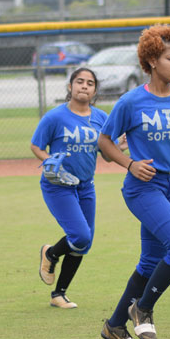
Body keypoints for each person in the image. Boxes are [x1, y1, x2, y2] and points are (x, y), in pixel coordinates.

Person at [97, 24, 170, 339]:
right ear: (152, 60)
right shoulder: (131, 101)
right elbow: (104, 140)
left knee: (150, 262)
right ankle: (142, 308)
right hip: (142, 187)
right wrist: (128, 163)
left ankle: (114, 326)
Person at [31, 67, 108, 309]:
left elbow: (106, 153)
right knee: (80, 236)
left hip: (85, 186)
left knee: (84, 243)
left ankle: (59, 294)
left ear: (95, 90)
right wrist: (47, 161)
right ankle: (51, 254)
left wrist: (121, 147)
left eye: (90, 83)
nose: (84, 86)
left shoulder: (101, 118)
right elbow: (36, 145)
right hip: (58, 186)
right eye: (79, 81)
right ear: (70, 86)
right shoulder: (55, 117)